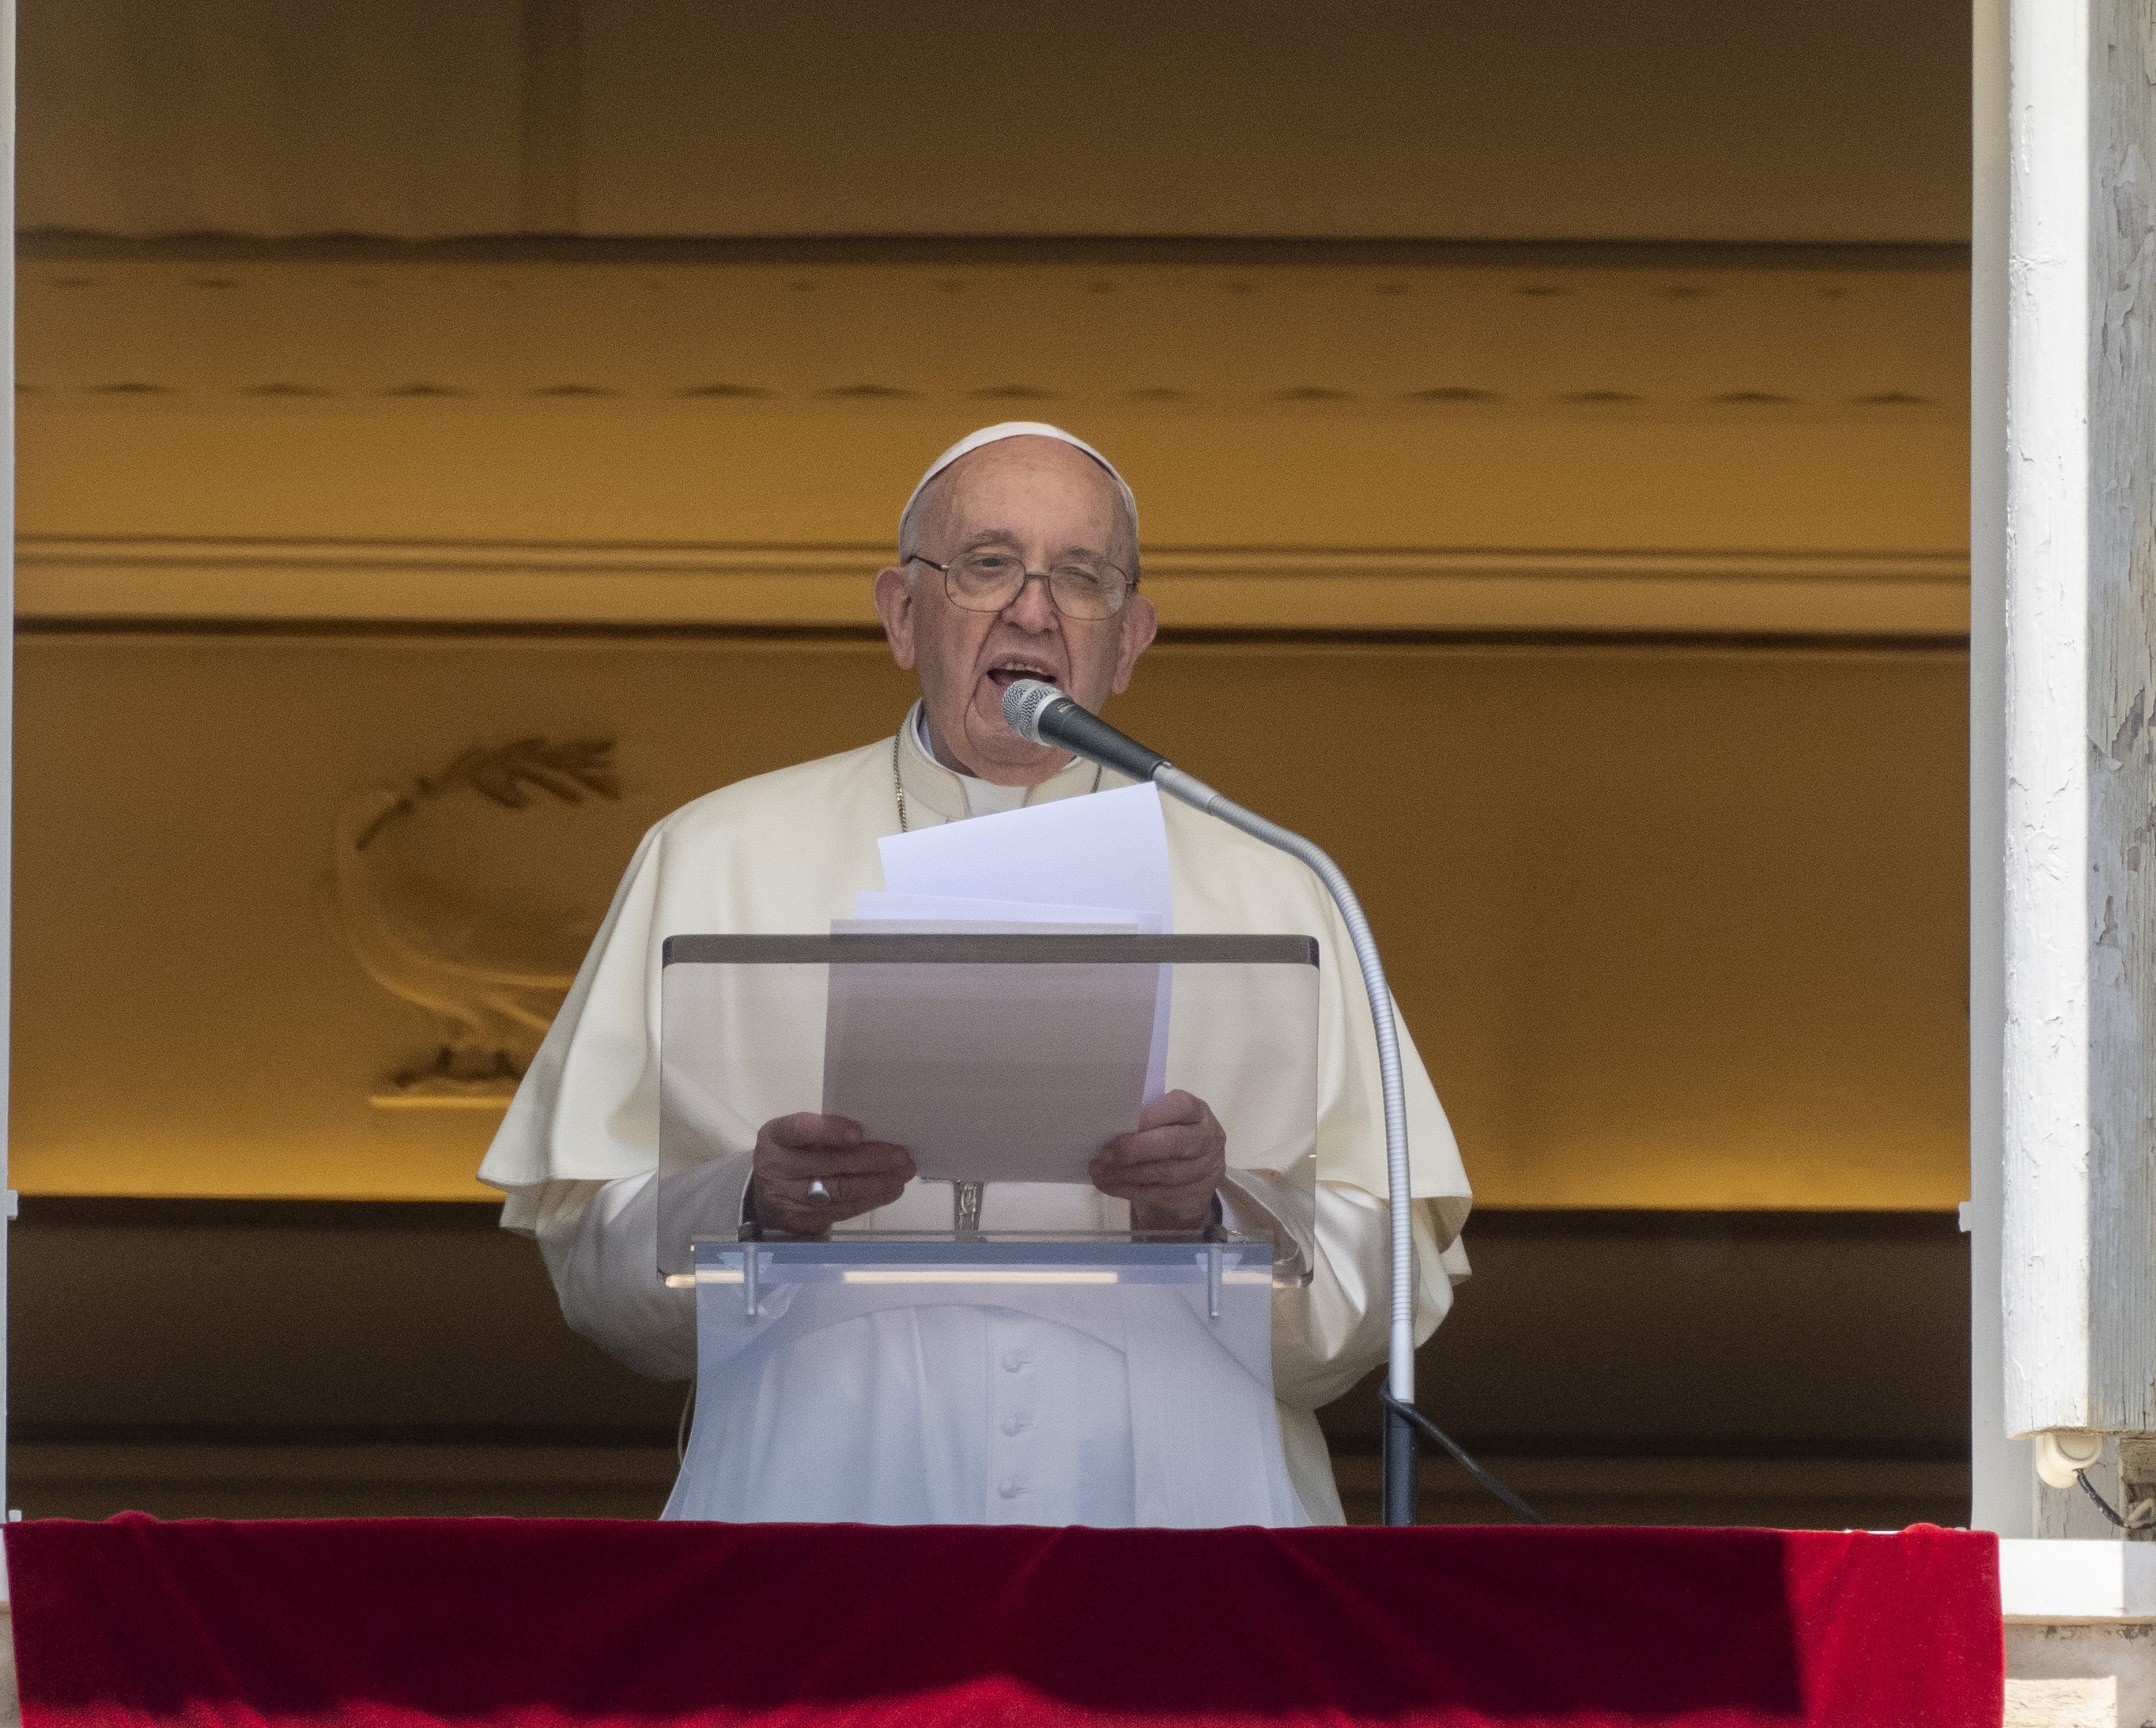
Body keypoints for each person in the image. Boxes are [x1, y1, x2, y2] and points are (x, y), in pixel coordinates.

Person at [480, 424, 1467, 1526]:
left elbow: (1388, 1281)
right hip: (823, 1503)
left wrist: (1209, 1215)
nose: (1034, 610)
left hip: (1181, 1522)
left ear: (1130, 640)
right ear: (902, 614)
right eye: (988, 565)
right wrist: (756, 1205)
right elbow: (591, 1259)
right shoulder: (713, 855)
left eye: (1080, 578)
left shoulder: (1278, 885)